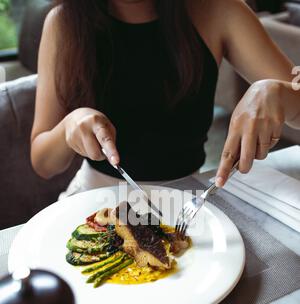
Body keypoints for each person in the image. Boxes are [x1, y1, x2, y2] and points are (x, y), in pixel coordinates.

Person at [31, 0, 300, 196]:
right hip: (94, 198)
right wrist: (68, 127)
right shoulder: (62, 22)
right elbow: (42, 163)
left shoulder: (218, 10)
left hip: (187, 200)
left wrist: (277, 92)